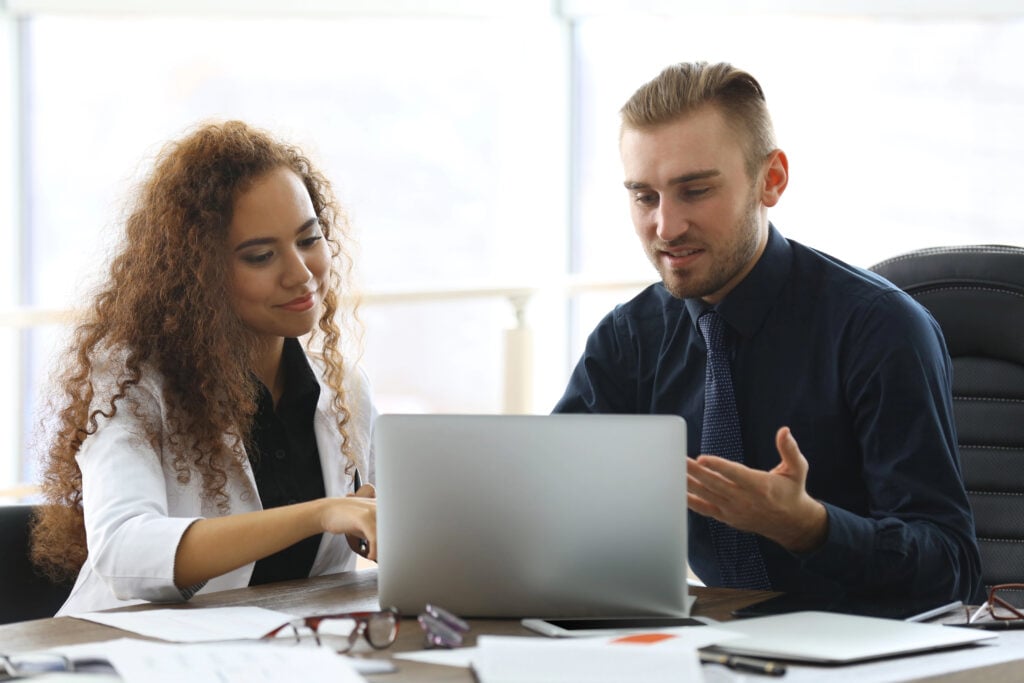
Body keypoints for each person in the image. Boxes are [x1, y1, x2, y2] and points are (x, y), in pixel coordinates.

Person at [554, 61, 983, 603]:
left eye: (694, 191)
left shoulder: (880, 328)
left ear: (771, 180)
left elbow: (954, 568)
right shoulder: (630, 338)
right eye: (645, 197)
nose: (665, 227)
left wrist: (809, 526)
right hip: (711, 641)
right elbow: (552, 501)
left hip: (864, 654)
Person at [31, 120, 379, 615]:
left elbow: (384, 520)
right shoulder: (133, 383)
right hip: (126, 651)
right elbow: (124, 551)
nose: (301, 274)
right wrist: (322, 514)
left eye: (309, 239)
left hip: (289, 651)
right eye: (261, 256)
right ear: (199, 273)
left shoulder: (345, 389)